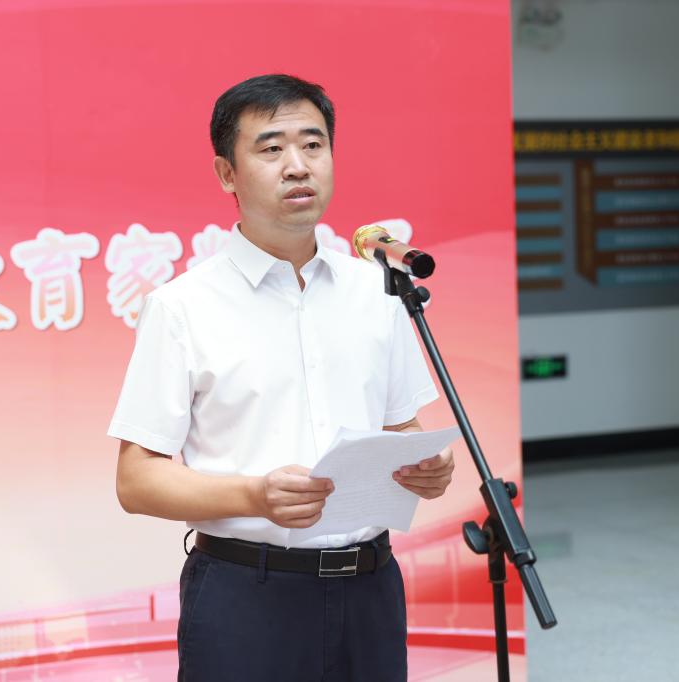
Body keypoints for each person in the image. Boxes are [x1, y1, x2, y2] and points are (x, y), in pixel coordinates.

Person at [109, 74, 456, 682]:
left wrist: (428, 467)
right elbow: (136, 482)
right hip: (248, 595)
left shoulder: (376, 291)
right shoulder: (183, 307)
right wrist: (255, 496)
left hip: (371, 588)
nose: (298, 165)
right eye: (271, 149)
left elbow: (402, 428)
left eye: (313, 145)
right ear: (227, 174)